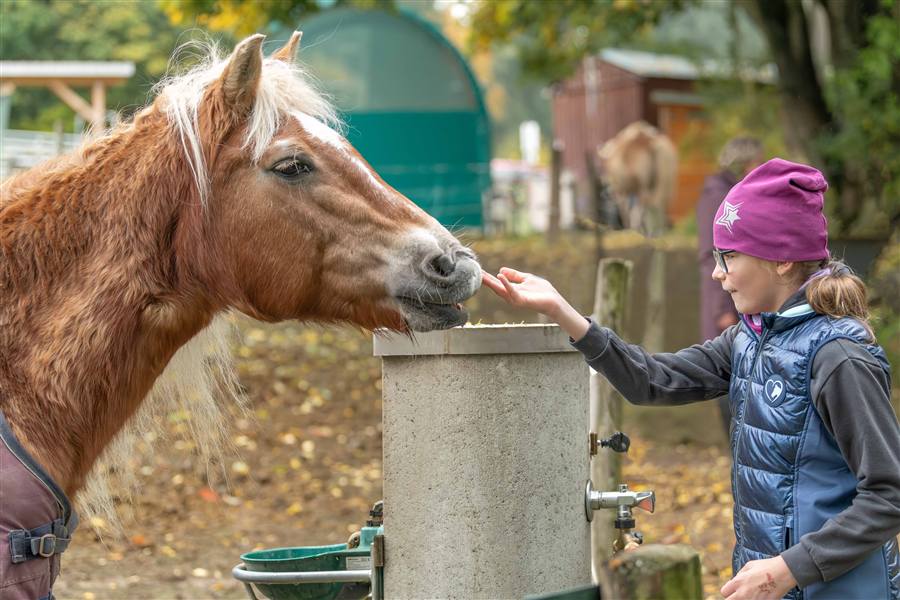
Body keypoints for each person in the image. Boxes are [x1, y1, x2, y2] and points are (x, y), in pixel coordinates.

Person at [482, 158, 900, 599]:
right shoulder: (747, 339)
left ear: (781, 259)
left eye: (729, 256)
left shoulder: (839, 358)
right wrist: (564, 314)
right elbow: (653, 380)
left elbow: (888, 494)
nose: (717, 272)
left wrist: (787, 569)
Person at [697, 137, 763, 437]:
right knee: (732, 383)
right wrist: (722, 309)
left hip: (737, 302)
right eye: (756, 161)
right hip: (727, 305)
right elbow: (712, 254)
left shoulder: (733, 194)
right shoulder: (721, 197)